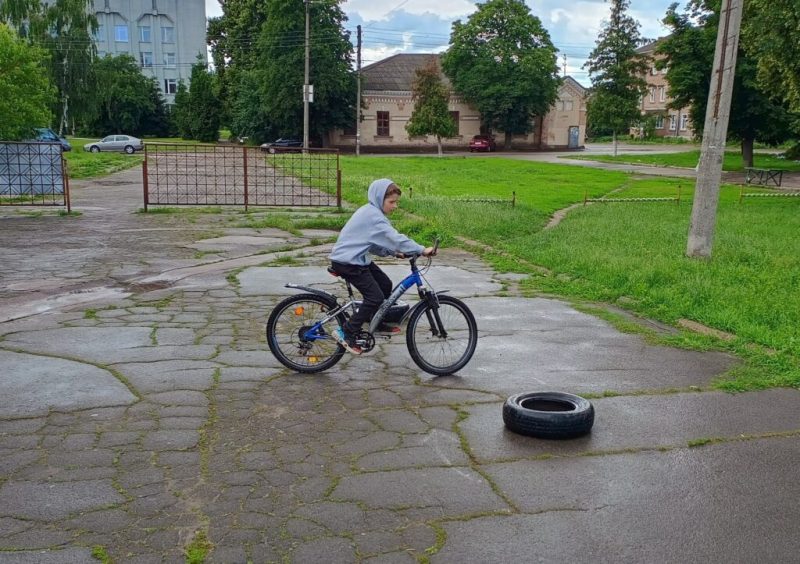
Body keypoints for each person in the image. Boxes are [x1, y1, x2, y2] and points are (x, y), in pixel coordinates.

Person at [329, 178, 436, 355]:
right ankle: (347, 331)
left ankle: (375, 322)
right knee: (375, 297)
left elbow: (373, 243)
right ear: (379, 199)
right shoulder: (374, 216)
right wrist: (421, 249)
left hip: (356, 259)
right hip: (348, 262)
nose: (395, 206)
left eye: (396, 202)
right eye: (391, 202)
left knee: (385, 285)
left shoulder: (371, 212)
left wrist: (394, 253)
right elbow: (395, 238)